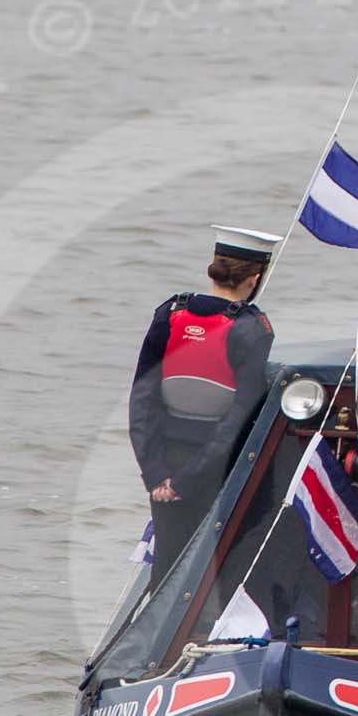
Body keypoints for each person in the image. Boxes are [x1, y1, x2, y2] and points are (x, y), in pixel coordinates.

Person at [128, 225, 279, 587]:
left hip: (164, 464)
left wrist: (155, 475)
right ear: (255, 278)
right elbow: (240, 418)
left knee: (167, 566)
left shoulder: (170, 313)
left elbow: (142, 401)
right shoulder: (253, 329)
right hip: (214, 469)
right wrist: (189, 480)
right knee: (228, 563)